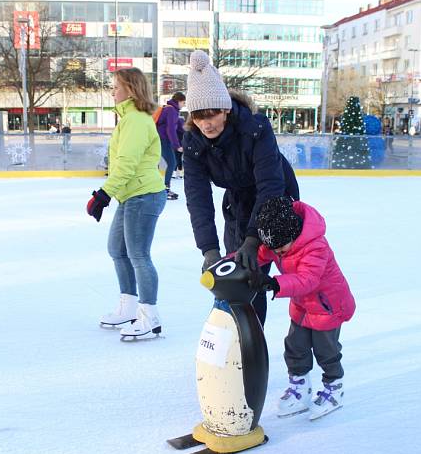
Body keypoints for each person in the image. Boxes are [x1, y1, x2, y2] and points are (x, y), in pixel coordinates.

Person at [182, 50, 299, 325]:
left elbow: (270, 185)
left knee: (255, 273)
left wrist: (253, 239)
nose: (206, 123)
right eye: (198, 116)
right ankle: (232, 338)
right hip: (237, 202)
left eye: (212, 114)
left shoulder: (255, 129)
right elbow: (197, 197)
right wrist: (208, 249)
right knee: (234, 273)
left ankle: (253, 342)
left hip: (277, 199)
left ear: (225, 108)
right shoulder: (194, 142)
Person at [252, 197, 355, 420]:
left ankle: (334, 389)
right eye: (274, 250)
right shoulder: (281, 242)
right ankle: (300, 388)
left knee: (326, 352)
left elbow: (308, 279)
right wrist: (236, 260)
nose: (277, 254)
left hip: (327, 306)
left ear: (293, 234)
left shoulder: (315, 246)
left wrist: (275, 283)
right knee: (294, 346)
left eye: (280, 249)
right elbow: (261, 254)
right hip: (302, 305)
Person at [85, 68, 167, 340]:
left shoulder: (135, 121)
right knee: (117, 249)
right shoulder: (129, 119)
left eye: (116, 87)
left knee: (138, 254)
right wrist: (109, 194)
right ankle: (129, 307)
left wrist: (103, 194)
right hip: (132, 195)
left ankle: (150, 316)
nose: (112, 91)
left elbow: (128, 164)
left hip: (144, 195)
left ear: (130, 90)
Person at [155, 91, 185, 200]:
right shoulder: (171, 110)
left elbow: (176, 126)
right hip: (163, 139)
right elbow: (170, 129)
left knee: (171, 163)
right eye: (183, 103)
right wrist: (177, 145)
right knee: (172, 163)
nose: (183, 105)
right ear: (179, 101)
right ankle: (165, 190)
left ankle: (163, 189)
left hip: (161, 139)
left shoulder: (169, 109)